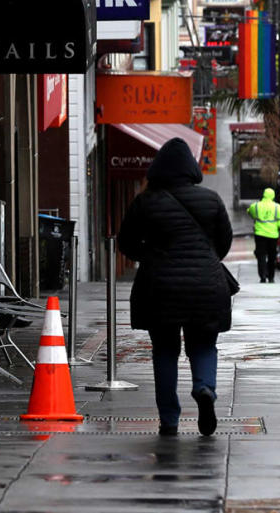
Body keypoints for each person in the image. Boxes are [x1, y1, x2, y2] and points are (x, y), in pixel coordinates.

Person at [118, 138, 233, 437]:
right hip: (206, 286)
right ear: (191, 169)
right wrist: (206, 261)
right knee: (204, 344)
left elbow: (126, 242)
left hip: (160, 288)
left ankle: (169, 419)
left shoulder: (145, 202)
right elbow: (224, 241)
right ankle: (204, 388)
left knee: (165, 351)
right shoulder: (211, 200)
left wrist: (150, 258)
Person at [246, 187, 280, 283]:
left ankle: (262, 276)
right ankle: (271, 277)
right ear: (273, 196)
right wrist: (276, 225)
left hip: (259, 234)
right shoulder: (277, 207)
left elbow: (250, 212)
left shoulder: (256, 206)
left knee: (261, 255)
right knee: (272, 256)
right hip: (272, 235)